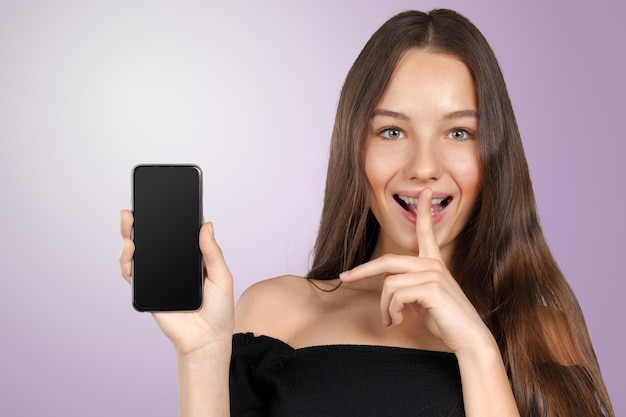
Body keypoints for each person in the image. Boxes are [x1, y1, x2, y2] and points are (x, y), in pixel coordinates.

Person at [119, 8, 614, 417]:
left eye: (459, 132)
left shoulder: (540, 331)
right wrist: (202, 355)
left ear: (495, 154)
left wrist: (477, 350)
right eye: (392, 132)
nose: (424, 167)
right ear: (355, 150)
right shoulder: (278, 313)